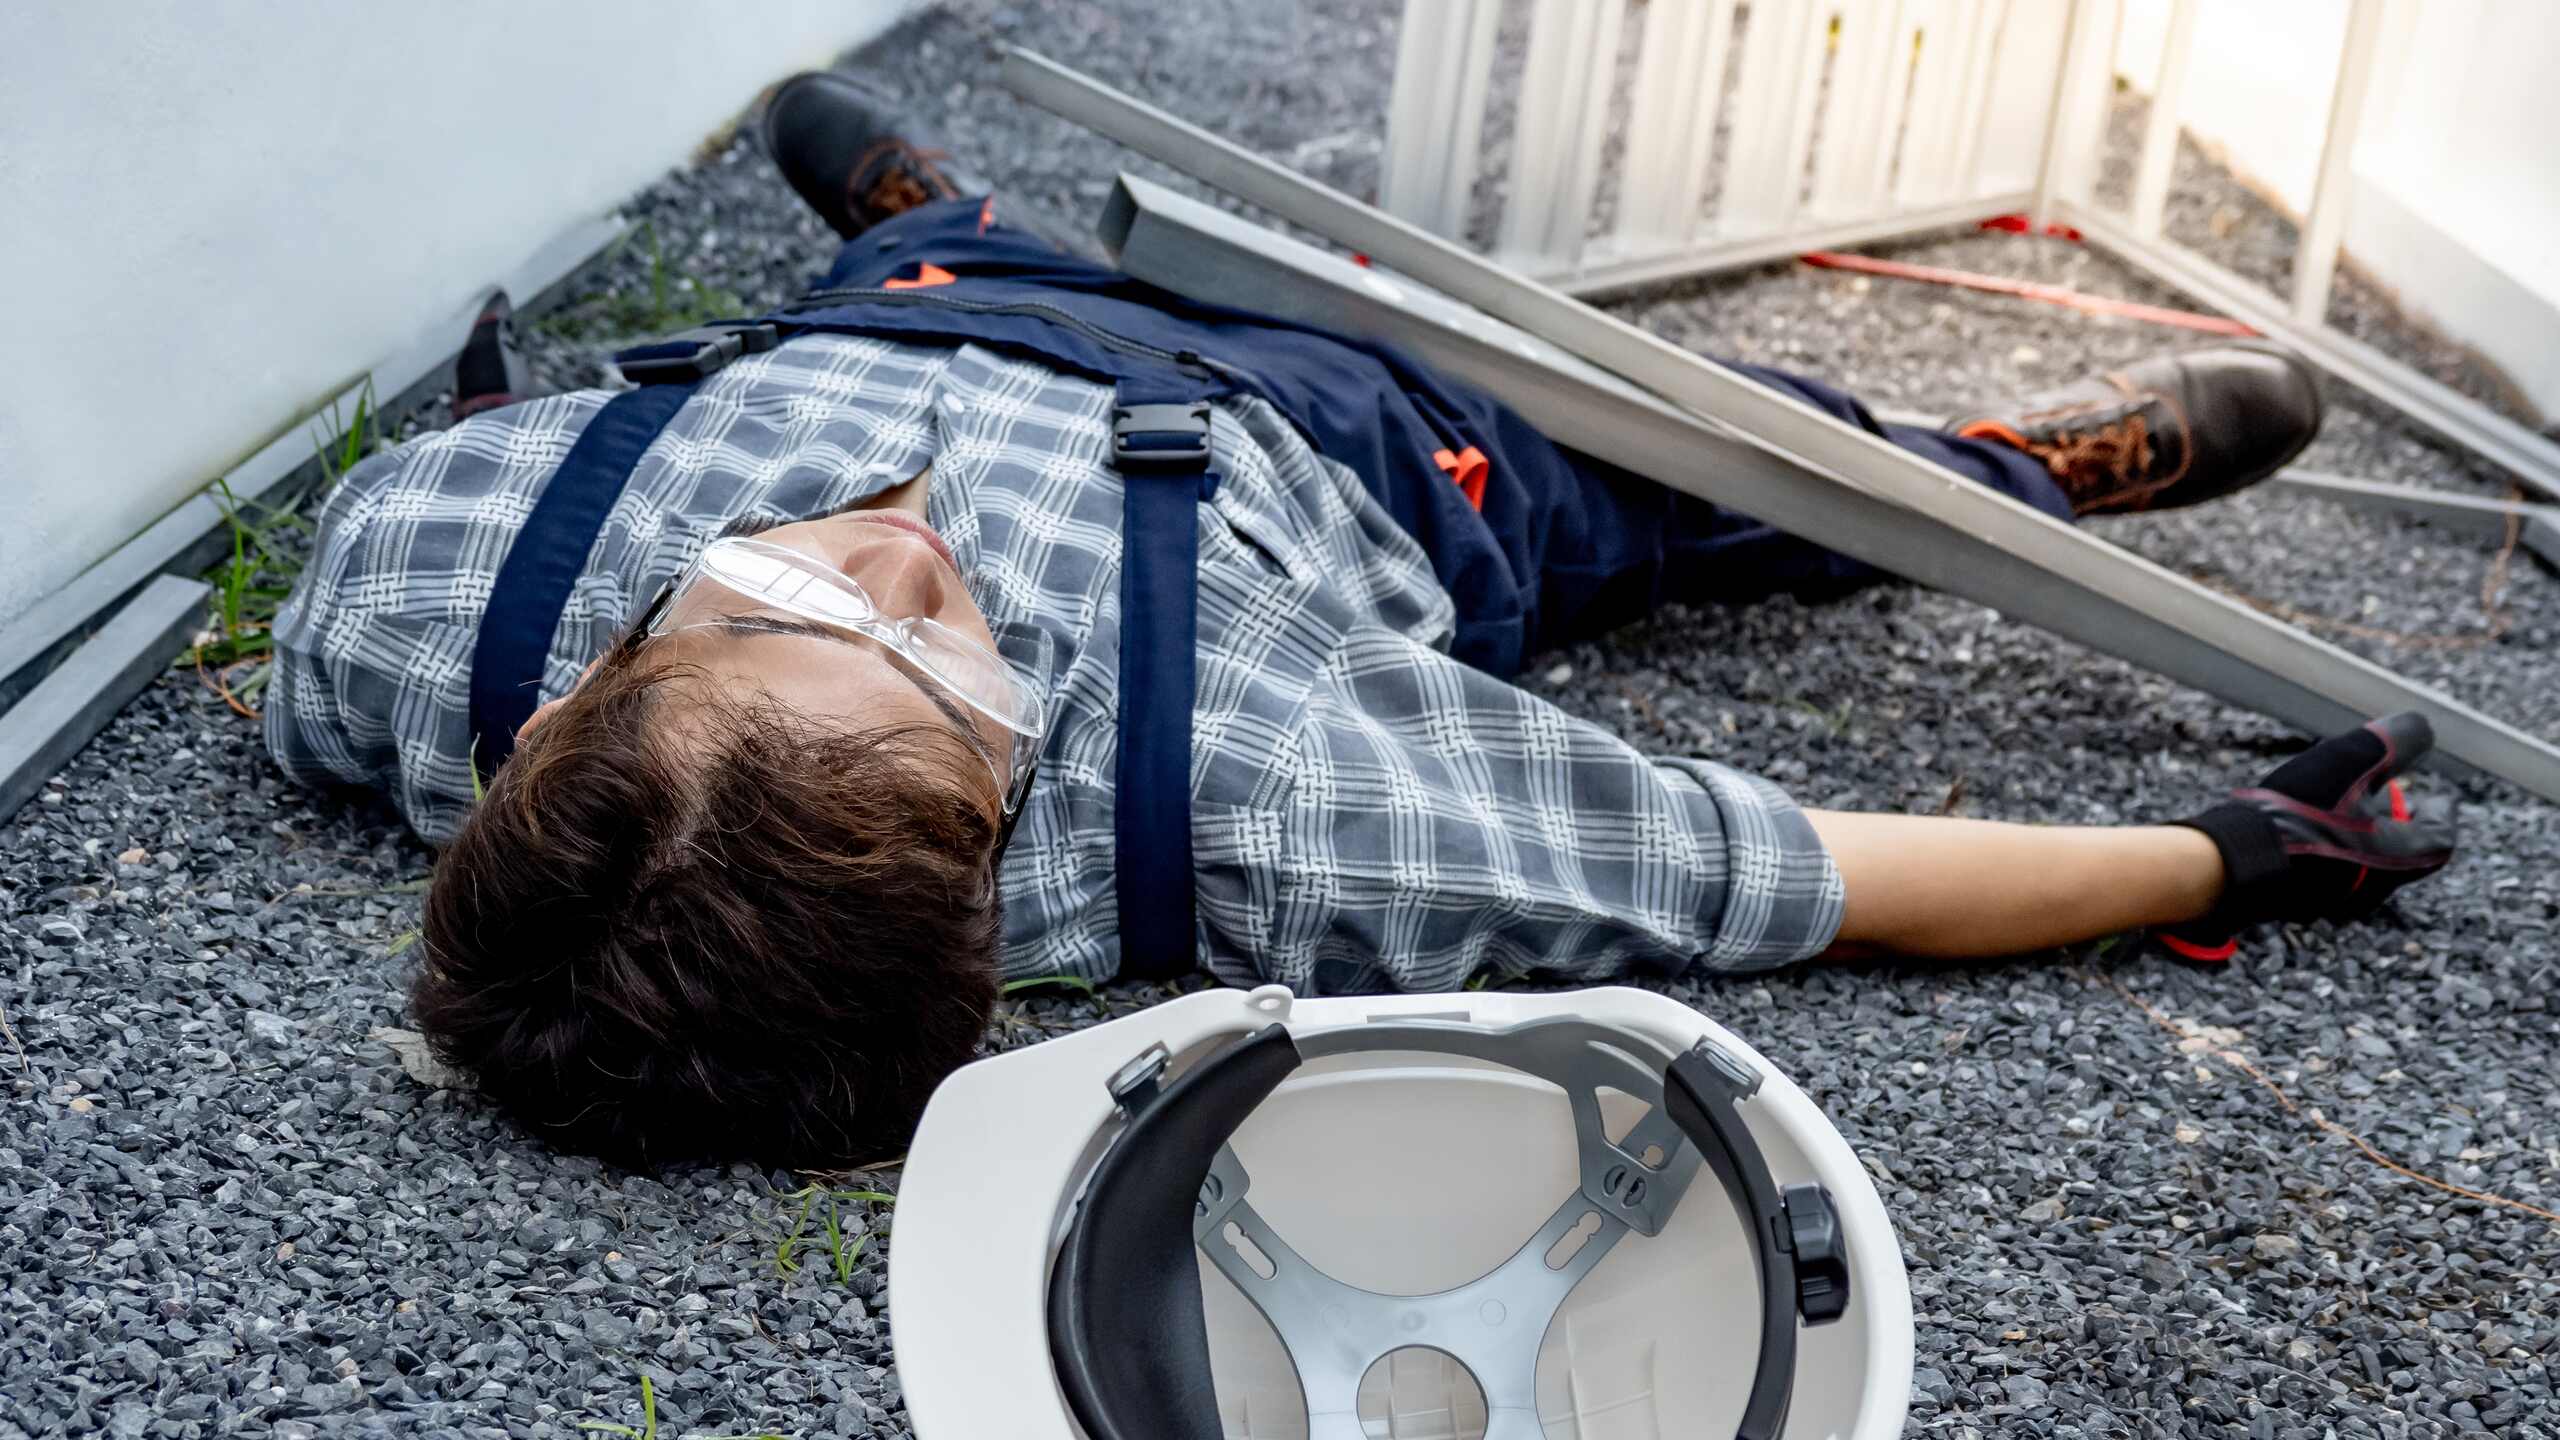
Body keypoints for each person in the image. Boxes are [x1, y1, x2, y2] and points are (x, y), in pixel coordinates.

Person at [264, 72, 2454, 1167]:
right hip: (1348, 442)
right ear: (987, 863)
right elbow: (1791, 873)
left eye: (795, 590)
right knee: (1716, 469)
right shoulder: (1283, 795)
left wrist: (855, 371)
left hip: (920, 321)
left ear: (577, 705)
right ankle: (1997, 469)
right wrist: (2231, 854)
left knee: (914, 285)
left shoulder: (411, 594)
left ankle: (932, 227)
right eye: (954, 683)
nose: (916, 562)